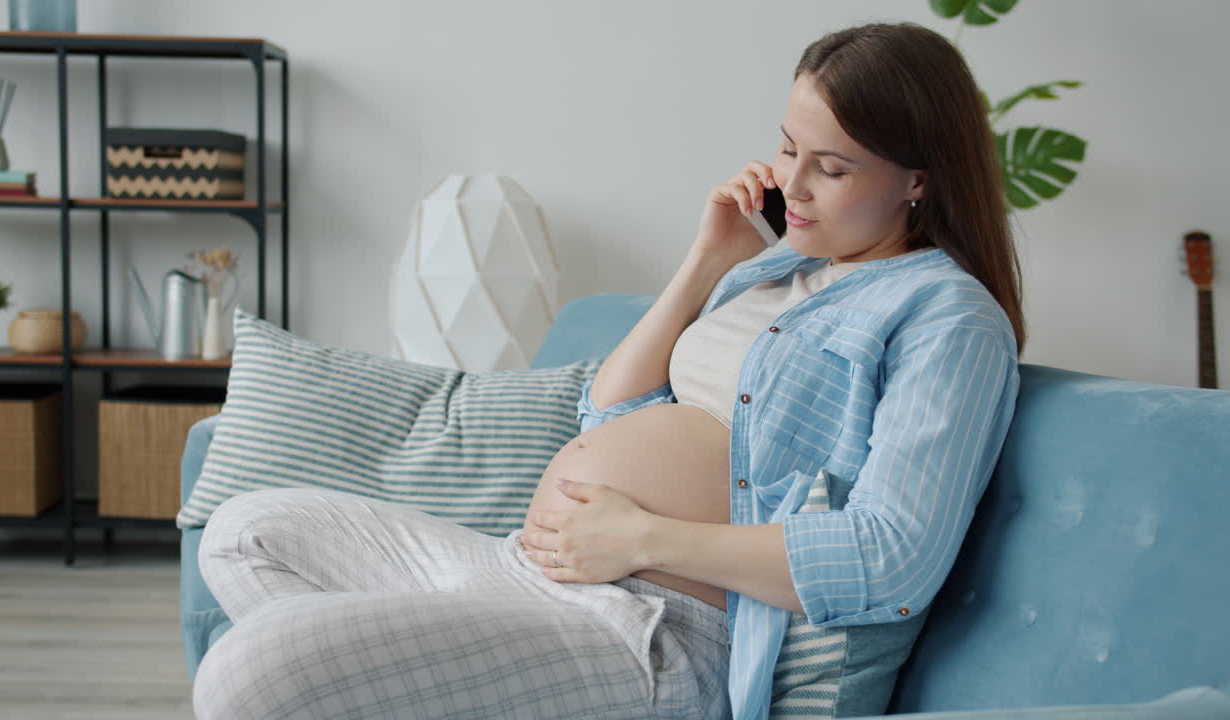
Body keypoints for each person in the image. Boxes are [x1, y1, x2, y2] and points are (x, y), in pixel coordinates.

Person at [193, 21, 1022, 720]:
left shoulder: (947, 318)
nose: (792, 186)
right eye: (786, 147)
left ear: (918, 181)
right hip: (532, 570)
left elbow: (891, 558)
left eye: (832, 169)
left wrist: (641, 539)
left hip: (653, 629)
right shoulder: (775, 270)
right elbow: (607, 419)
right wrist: (708, 259)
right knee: (246, 532)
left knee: (251, 671)